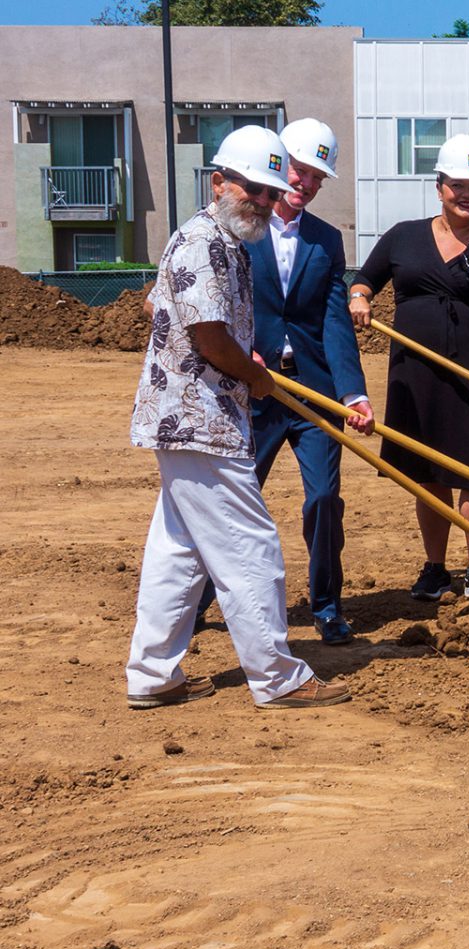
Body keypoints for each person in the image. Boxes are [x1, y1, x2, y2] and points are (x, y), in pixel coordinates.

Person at [126, 125, 350, 710]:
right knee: (250, 545)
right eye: (253, 188)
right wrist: (253, 376)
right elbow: (208, 335)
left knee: (179, 550)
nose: (263, 201)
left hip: (193, 419)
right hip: (200, 418)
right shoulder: (205, 242)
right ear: (219, 182)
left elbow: (178, 312)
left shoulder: (223, 242)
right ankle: (277, 676)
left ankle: (152, 673)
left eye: (271, 193)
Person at [194, 118, 370, 646]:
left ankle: (328, 606)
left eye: (318, 176)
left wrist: (353, 393)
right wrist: (238, 351)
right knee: (236, 497)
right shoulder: (237, 227)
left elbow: (334, 320)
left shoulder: (326, 240)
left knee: (325, 499)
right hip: (251, 389)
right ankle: (197, 601)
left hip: (312, 390)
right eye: (300, 170)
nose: (307, 183)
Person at [348, 134, 469, 601]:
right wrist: (360, 297)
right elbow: (365, 279)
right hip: (415, 375)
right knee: (427, 472)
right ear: (439, 186)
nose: (468, 194)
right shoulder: (403, 236)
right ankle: (435, 568)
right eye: (458, 185)